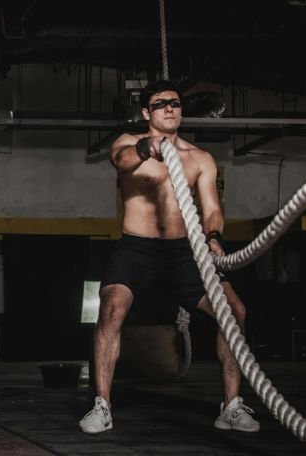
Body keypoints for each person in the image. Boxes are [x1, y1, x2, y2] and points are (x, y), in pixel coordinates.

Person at [79, 80, 259, 434]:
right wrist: (150, 147)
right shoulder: (129, 144)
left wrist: (213, 237)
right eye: (160, 104)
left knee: (235, 312)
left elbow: (211, 209)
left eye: (174, 103)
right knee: (112, 308)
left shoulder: (200, 158)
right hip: (137, 249)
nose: (169, 109)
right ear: (147, 112)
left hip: (183, 253)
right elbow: (122, 160)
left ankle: (232, 406)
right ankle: (102, 405)